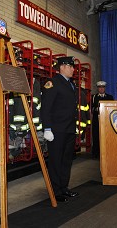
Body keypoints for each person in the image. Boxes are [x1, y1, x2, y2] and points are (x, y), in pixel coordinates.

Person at [41, 56, 79, 203]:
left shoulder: (71, 84)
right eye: (70, 66)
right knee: (56, 161)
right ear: (62, 67)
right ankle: (55, 191)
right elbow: (46, 107)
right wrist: (47, 128)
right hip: (56, 130)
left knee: (66, 161)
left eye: (73, 66)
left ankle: (64, 187)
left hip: (69, 128)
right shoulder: (53, 83)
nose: (73, 69)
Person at [91, 81, 114, 158]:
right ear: (98, 88)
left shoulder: (110, 97)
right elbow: (91, 108)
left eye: (102, 87)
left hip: (107, 121)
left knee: (106, 137)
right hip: (96, 121)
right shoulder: (94, 97)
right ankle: (96, 153)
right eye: (100, 87)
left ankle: (107, 152)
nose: (101, 89)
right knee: (96, 136)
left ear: (105, 88)